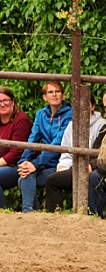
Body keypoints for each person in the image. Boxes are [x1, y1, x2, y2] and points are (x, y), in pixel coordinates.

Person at [45, 93, 106, 213]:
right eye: (78, 106)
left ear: (93, 107)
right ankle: (55, 217)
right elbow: (66, 150)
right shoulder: (71, 125)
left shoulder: (102, 126)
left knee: (92, 178)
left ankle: (93, 215)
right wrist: (63, 165)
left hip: (92, 168)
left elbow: (101, 152)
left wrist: (91, 165)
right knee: (52, 180)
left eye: (86, 105)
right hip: (75, 168)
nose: (82, 109)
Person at [17, 81, 72, 212]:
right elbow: (33, 139)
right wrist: (24, 161)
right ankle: (30, 212)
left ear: (63, 96)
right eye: (50, 92)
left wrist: (35, 164)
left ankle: (29, 213)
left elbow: (58, 144)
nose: (54, 95)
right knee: (24, 175)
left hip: (61, 163)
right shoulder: (40, 114)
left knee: (24, 179)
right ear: (44, 97)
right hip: (44, 163)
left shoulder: (70, 114)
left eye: (57, 91)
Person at [0, 86, 33, 209]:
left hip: (19, 165)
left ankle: (2, 214)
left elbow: (16, 153)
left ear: (13, 102)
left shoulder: (21, 120)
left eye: (6, 100)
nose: (2, 104)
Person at [87, 90, 106, 218]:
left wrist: (94, 166)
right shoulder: (105, 128)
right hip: (105, 166)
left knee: (96, 176)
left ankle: (95, 217)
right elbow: (95, 151)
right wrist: (91, 164)